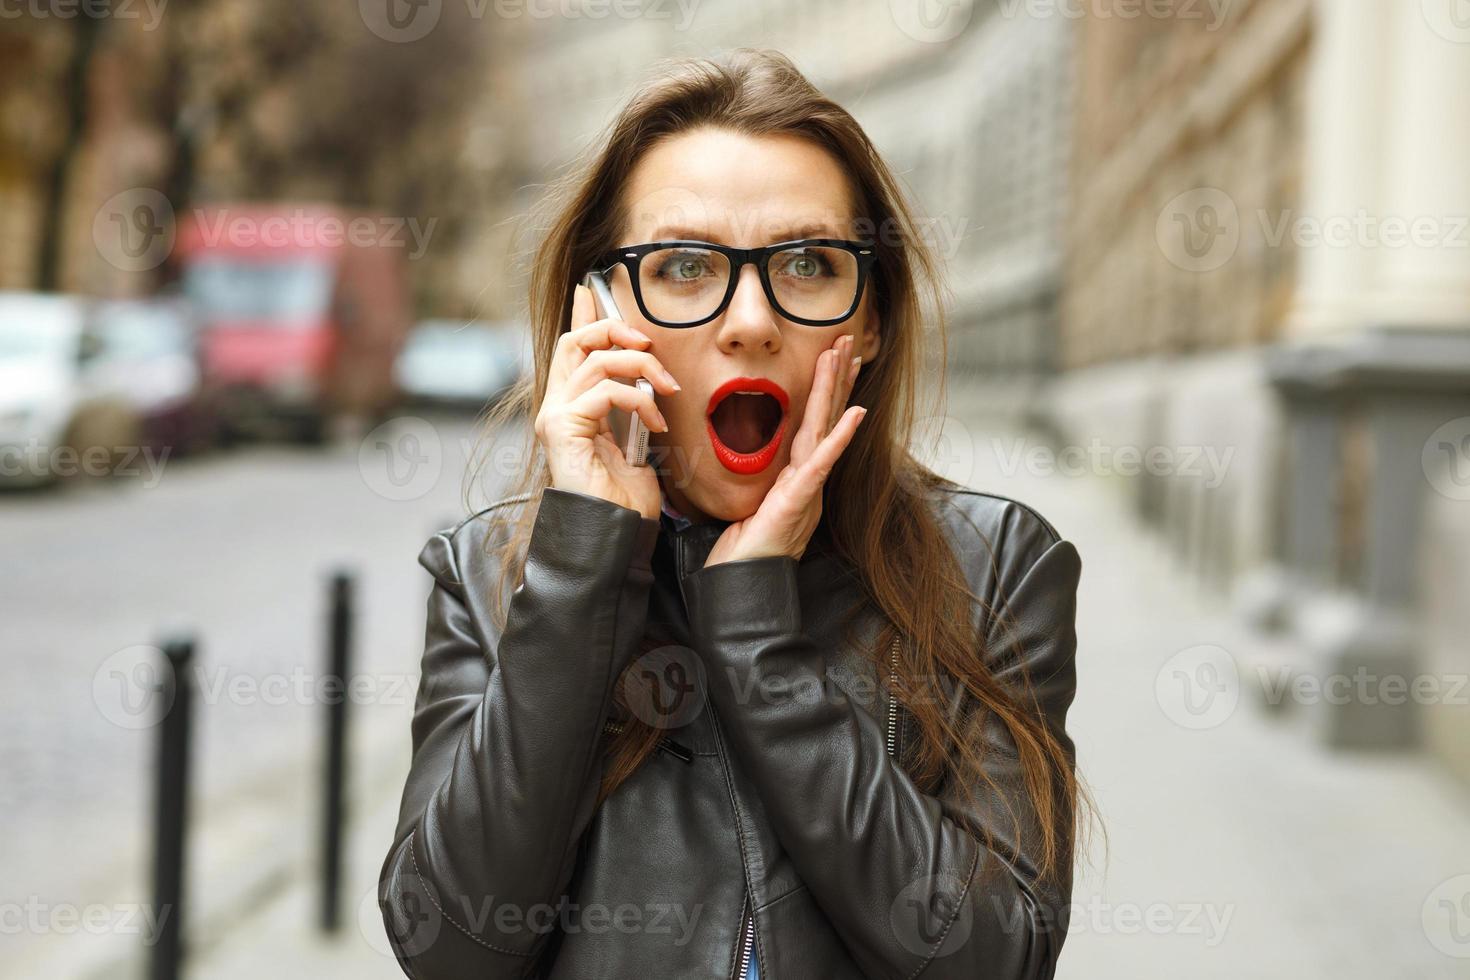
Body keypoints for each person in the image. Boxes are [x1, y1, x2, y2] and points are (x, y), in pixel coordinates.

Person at [378, 47, 1091, 979]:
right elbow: (449, 947)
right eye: (681, 266)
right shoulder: (489, 577)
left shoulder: (997, 568)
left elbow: (993, 958)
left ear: (869, 319)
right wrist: (582, 572)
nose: (749, 319)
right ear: (599, 313)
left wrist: (757, 636)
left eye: (806, 263)